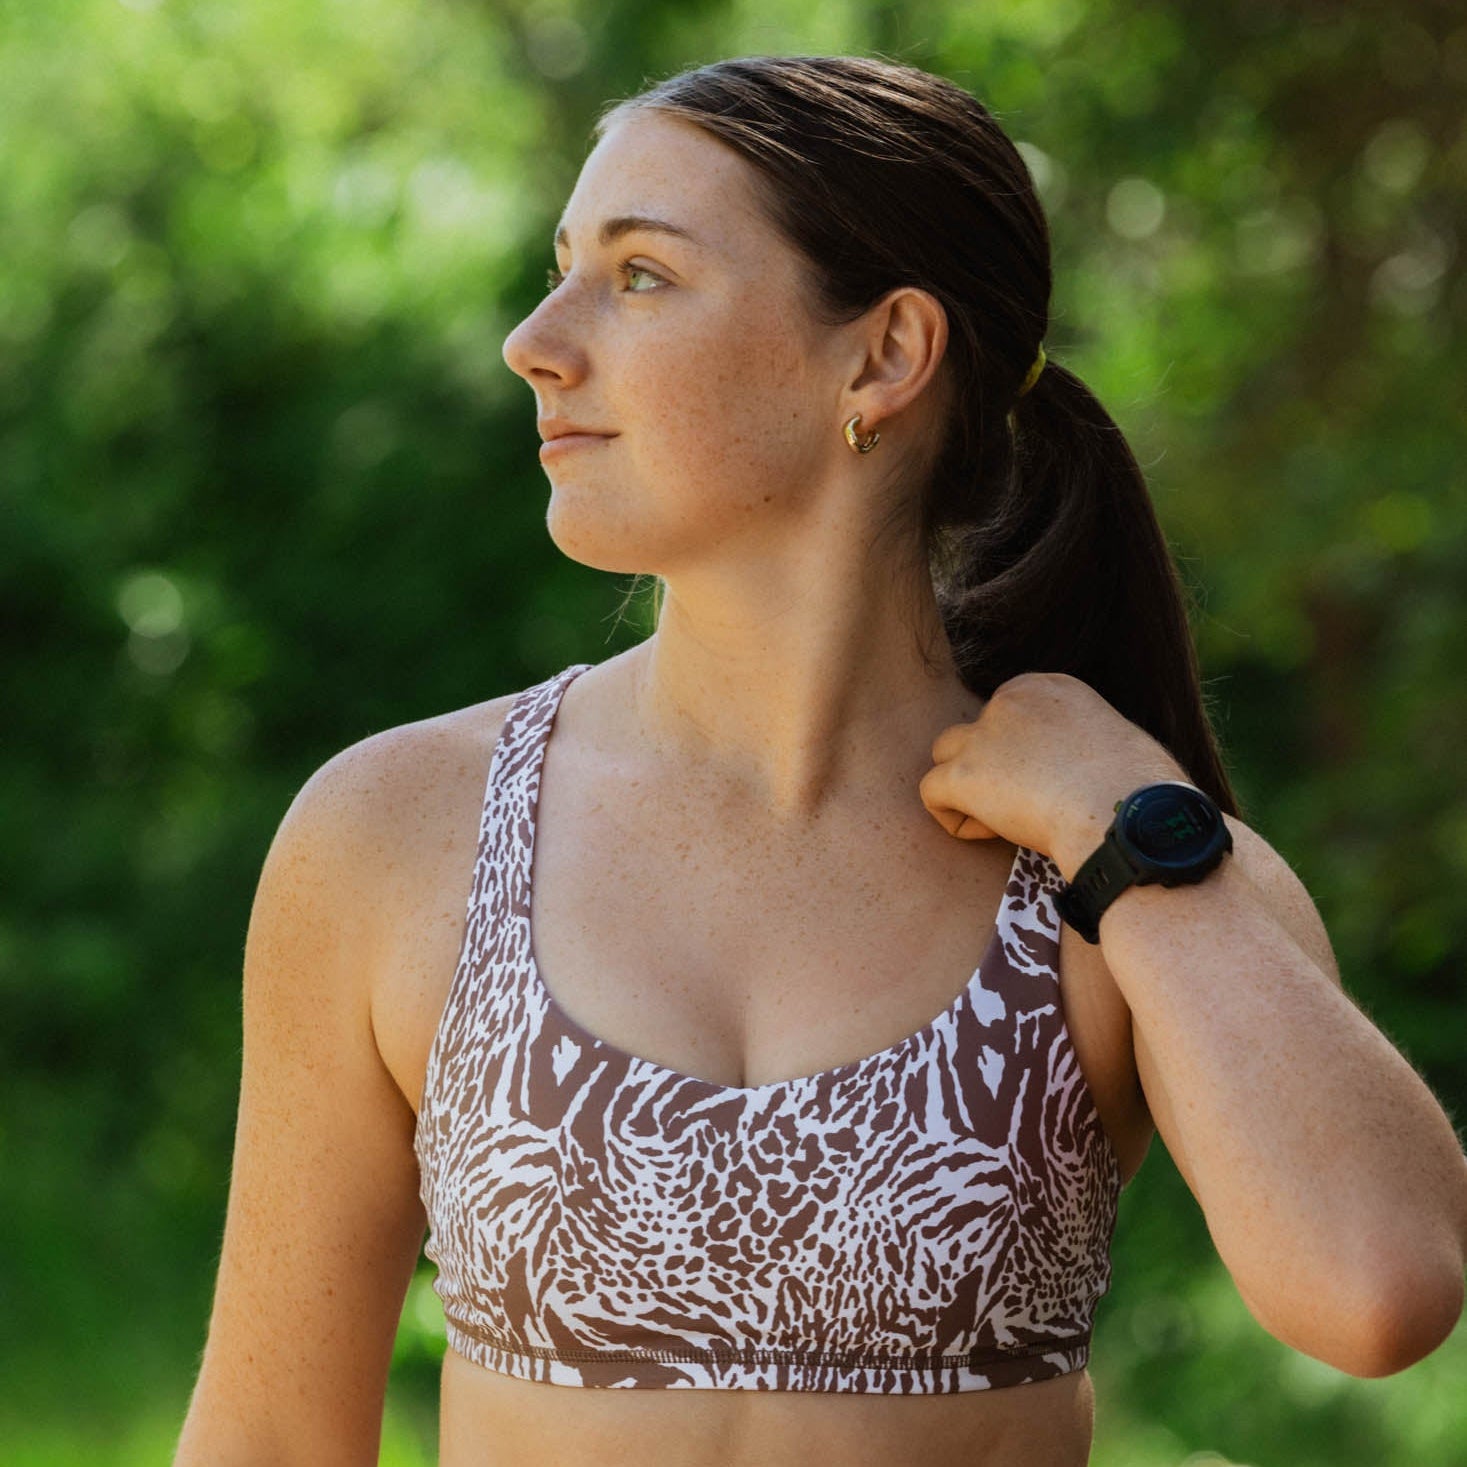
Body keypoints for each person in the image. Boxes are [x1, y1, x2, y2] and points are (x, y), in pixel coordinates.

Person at [173, 53, 1467, 1467]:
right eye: (563, 270)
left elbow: (1377, 1289)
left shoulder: (1111, 866)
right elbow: (266, 1441)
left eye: (642, 276)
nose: (536, 341)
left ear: (883, 355)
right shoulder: (400, 832)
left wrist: (1126, 820)